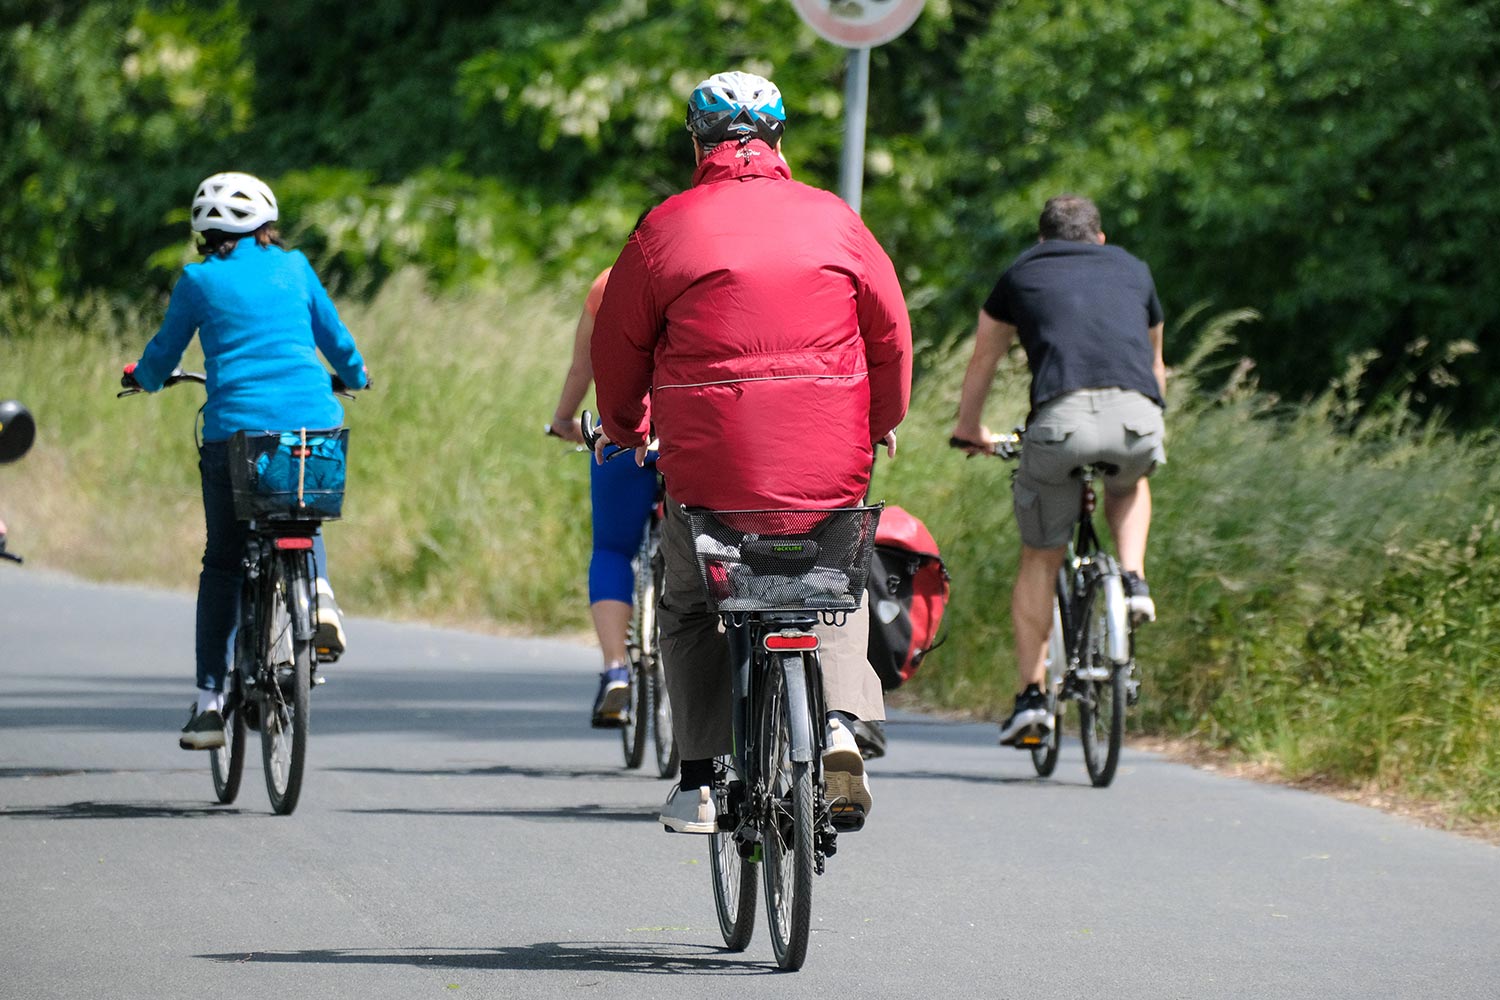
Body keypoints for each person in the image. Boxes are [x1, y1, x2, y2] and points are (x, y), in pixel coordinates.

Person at [590, 70, 912, 833]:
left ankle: (700, 778)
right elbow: (891, 336)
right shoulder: (837, 220)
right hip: (827, 462)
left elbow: (619, 348)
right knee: (832, 588)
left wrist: (628, 429)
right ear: (779, 140)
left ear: (695, 140)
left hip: (711, 471)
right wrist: (878, 419)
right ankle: (839, 724)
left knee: (690, 601)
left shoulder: (664, 227)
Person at [122, 171, 369, 751]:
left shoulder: (197, 280)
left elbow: (162, 354)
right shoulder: (297, 267)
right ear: (267, 223)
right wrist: (356, 377)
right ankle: (322, 598)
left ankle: (210, 702)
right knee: (301, 505)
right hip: (314, 421)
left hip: (235, 435)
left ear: (203, 234)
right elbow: (336, 340)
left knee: (224, 562)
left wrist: (143, 378)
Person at [951, 194, 1166, 747]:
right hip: (1137, 416)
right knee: (1129, 480)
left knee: (1042, 553)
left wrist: (969, 430)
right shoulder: (1133, 267)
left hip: (1060, 423)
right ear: (1099, 237)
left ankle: (1031, 696)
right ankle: (1134, 579)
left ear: (1042, 240)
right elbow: (1155, 362)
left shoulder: (1021, 273)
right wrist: (1148, 429)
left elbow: (984, 359)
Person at [549, 266, 661, 728]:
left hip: (622, 434)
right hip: (693, 432)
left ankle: (616, 668)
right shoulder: (708, 272)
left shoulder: (608, 284)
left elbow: (584, 367)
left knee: (613, 549)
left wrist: (562, 421)